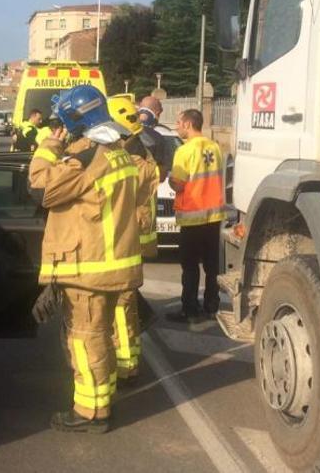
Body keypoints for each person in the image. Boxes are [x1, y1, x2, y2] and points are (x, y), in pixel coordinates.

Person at [36, 85, 142, 434]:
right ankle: (104, 397)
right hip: (115, 265)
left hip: (89, 270)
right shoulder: (118, 151)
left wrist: (51, 144)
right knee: (102, 337)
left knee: (84, 339)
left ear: (72, 119)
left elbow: (39, 187)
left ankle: (90, 413)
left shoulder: (85, 156)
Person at [107, 95, 160, 381]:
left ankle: (126, 365)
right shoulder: (139, 152)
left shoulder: (132, 159)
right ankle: (131, 356)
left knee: (121, 304)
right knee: (126, 302)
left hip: (128, 240)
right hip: (136, 238)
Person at [167, 109, 225, 324]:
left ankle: (190, 310)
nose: (177, 126)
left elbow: (179, 184)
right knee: (212, 266)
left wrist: (171, 180)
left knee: (190, 267)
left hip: (193, 217)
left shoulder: (185, 151)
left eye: (179, 122)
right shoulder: (215, 147)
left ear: (188, 124)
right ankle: (212, 306)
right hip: (213, 216)